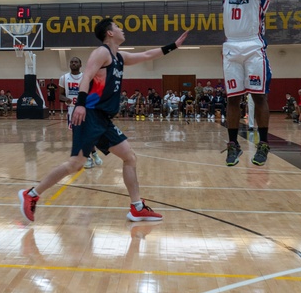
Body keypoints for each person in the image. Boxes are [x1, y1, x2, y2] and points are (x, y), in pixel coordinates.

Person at [18, 19, 189, 223]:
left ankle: (137, 208)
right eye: (118, 26)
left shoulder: (119, 57)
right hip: (89, 114)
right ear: (109, 33)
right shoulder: (101, 53)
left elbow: (145, 55)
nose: (122, 29)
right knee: (75, 164)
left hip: (104, 120)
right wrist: (80, 104)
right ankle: (32, 194)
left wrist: (173, 46)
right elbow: (87, 75)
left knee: (129, 157)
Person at [191, 0, 273, 166]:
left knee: (259, 97)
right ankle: (233, 144)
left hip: (253, 46)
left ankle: (264, 143)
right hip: (231, 46)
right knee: (233, 99)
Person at [59, 56, 101, 168]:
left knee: (88, 133)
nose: (73, 63)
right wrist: (65, 99)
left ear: (80, 65)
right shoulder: (63, 78)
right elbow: (60, 95)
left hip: (85, 108)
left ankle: (94, 153)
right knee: (78, 135)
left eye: (76, 62)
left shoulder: (86, 77)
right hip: (72, 109)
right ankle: (86, 158)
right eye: (71, 62)